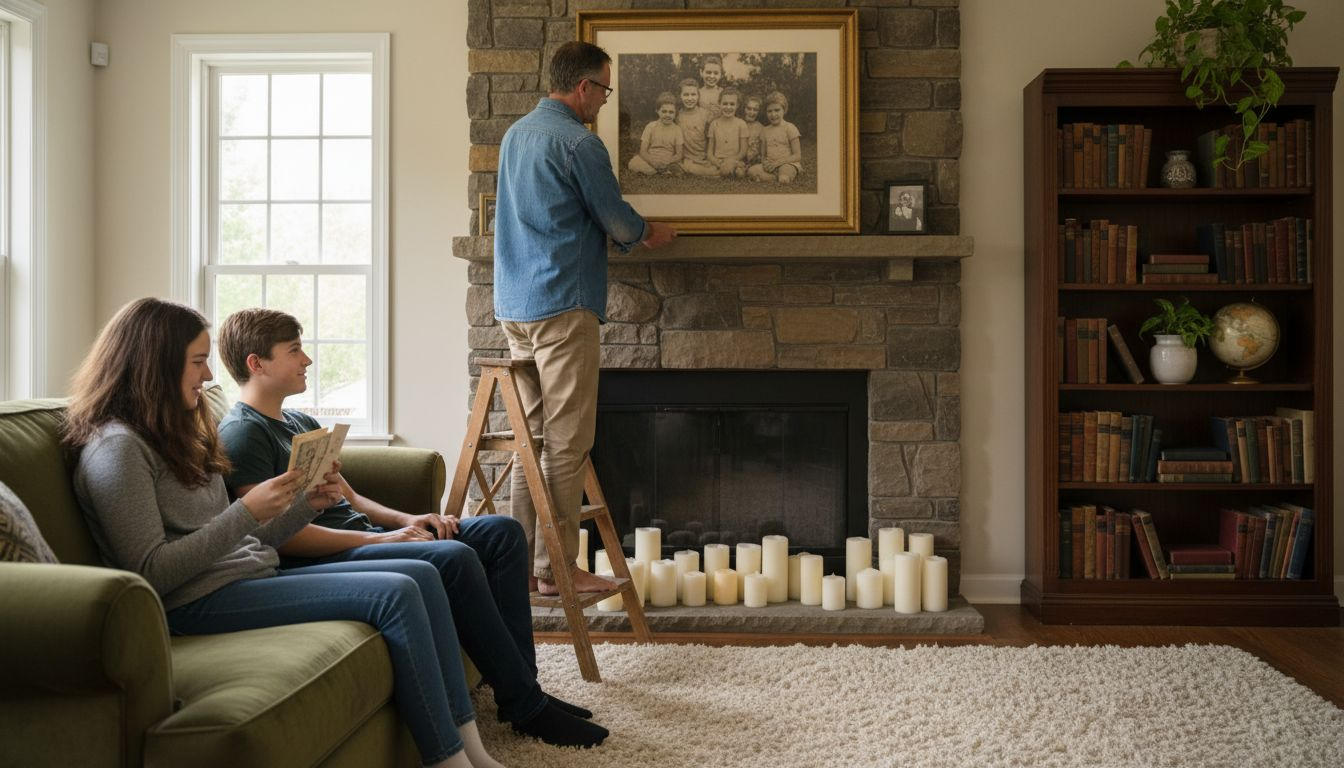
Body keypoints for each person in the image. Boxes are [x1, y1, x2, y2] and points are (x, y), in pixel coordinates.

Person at [64, 298, 505, 768]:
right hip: (192, 602)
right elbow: (148, 572)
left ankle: (473, 752)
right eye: (198, 362)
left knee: (422, 574)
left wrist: (304, 506)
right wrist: (246, 513)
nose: (210, 376)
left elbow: (249, 541)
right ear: (153, 364)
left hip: (247, 577)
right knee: (395, 592)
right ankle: (449, 761)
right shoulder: (116, 450)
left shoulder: (177, 432)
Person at [214, 307, 607, 748]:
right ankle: (528, 707)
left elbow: (351, 497)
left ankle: (523, 688)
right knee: (453, 558)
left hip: (365, 537)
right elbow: (278, 535)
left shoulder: (300, 422)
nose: (306, 360)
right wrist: (382, 539)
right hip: (325, 555)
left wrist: (408, 520)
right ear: (256, 363)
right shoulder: (243, 436)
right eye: (294, 351)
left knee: (502, 532)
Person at [493, 40, 677, 596]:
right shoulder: (579, 143)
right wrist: (650, 234)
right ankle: (557, 569)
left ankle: (520, 567)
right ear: (583, 88)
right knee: (567, 444)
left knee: (534, 439)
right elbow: (619, 223)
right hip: (561, 305)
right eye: (603, 89)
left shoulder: (515, 135)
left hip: (514, 307)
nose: (603, 100)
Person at [747, 91, 803, 184]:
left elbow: (797, 156)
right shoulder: (765, 130)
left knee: (784, 176)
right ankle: (774, 178)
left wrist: (778, 163)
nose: (773, 114)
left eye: (777, 110)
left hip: (787, 164)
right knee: (751, 171)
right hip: (771, 165)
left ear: (784, 110)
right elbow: (763, 155)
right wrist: (765, 163)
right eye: (769, 111)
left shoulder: (790, 128)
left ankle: (779, 177)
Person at [627, 91, 684, 176]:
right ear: (657, 111)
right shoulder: (651, 126)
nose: (667, 115)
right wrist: (653, 162)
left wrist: (668, 162)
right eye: (664, 111)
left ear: (675, 113)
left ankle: (659, 171)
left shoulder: (677, 129)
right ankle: (658, 171)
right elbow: (643, 151)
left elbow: (679, 154)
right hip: (651, 160)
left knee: (679, 166)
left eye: (671, 112)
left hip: (668, 161)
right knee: (633, 162)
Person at [674, 77, 717, 177]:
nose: (690, 98)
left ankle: (710, 171)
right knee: (688, 167)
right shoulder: (677, 116)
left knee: (713, 167)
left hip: (705, 157)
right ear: (680, 96)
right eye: (686, 95)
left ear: (698, 96)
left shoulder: (706, 114)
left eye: (693, 94)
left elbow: (712, 138)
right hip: (687, 159)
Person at [706, 87, 748, 178]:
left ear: (737, 105)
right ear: (719, 104)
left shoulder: (741, 124)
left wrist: (730, 160)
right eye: (725, 103)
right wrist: (715, 161)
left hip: (734, 160)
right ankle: (726, 172)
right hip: (717, 161)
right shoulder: (714, 124)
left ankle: (727, 171)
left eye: (732, 104)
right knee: (710, 169)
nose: (728, 107)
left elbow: (743, 152)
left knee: (728, 168)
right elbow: (709, 152)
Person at [697, 54, 725, 119]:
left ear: (721, 74)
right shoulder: (697, 93)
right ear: (701, 72)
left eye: (716, 73)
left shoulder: (723, 93)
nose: (712, 76)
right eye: (708, 72)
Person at [742, 94, 765, 167]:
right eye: (749, 108)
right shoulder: (738, 124)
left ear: (759, 112)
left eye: (755, 110)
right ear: (744, 109)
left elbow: (763, 151)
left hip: (754, 161)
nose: (751, 112)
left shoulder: (761, 128)